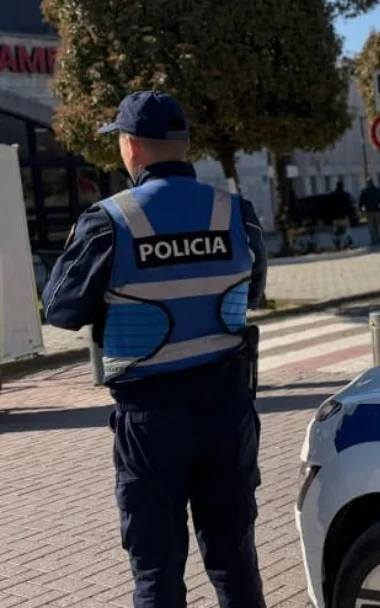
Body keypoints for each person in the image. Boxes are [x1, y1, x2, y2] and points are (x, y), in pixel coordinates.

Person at [40, 91, 269, 608]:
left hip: (151, 419)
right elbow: (252, 289)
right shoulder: (235, 211)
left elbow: (58, 308)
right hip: (227, 409)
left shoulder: (108, 220)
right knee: (235, 559)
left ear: (132, 147)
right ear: (183, 145)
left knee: (156, 571)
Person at [358, 178, 380, 245]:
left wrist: (361, 209)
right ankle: (379, 238)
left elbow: (361, 201)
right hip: (377, 210)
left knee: (371, 226)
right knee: (377, 225)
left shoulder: (365, 191)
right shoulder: (377, 190)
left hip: (369, 210)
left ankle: (373, 240)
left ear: (367, 183)